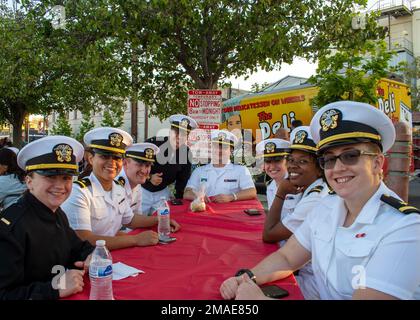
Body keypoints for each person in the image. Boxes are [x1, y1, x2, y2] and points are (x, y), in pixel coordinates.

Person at [220, 101, 420, 300]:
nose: (338, 167)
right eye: (329, 159)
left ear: (377, 163)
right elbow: (287, 257)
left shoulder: (405, 227)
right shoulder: (327, 206)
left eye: (350, 156)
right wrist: (246, 278)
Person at [0, 136, 94, 300]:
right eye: (50, 177)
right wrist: (54, 288)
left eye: (66, 178)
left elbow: (78, 248)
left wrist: (94, 255)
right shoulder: (12, 229)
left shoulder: (56, 213)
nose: (60, 186)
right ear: (29, 181)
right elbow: (4, 293)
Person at [62, 127, 176, 251]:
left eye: (117, 158)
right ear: (90, 158)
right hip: (84, 263)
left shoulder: (117, 188)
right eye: (105, 156)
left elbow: (130, 220)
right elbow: (85, 239)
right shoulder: (79, 192)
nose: (112, 163)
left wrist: (159, 219)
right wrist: (136, 239)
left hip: (110, 255)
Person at [261, 127, 329, 300]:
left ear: (320, 168)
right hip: (302, 267)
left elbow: (269, 235)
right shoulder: (309, 189)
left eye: (303, 161)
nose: (292, 165)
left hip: (316, 282)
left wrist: (281, 192)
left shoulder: (316, 197)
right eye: (290, 159)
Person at [141, 114, 198, 214]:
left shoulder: (186, 153)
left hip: (162, 194)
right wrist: (149, 177)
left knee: (165, 222)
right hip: (142, 191)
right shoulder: (153, 144)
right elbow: (136, 167)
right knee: (132, 225)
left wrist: (179, 200)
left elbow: (182, 180)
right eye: (176, 133)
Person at [116, 142, 180, 229]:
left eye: (147, 165)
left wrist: (161, 220)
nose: (144, 170)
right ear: (125, 163)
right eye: (139, 164)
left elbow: (133, 219)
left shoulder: (136, 183)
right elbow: (108, 232)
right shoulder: (115, 184)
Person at [184, 129, 257, 203]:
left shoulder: (241, 170)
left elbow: (251, 192)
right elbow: (187, 193)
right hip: (205, 212)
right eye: (216, 146)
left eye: (224, 147)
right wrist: (197, 196)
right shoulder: (199, 171)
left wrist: (231, 197)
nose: (219, 150)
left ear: (231, 150)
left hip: (230, 213)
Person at [255, 138, 290, 209]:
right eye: (268, 161)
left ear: (287, 161)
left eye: (277, 161)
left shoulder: (298, 185)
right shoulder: (271, 187)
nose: (272, 166)